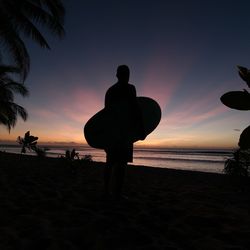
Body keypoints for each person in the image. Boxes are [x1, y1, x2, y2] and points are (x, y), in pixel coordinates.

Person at [104, 65, 145, 199]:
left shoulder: (113, 90)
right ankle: (112, 193)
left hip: (119, 132)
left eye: (127, 74)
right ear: (118, 75)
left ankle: (112, 193)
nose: (126, 76)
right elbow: (135, 109)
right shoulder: (122, 90)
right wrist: (141, 128)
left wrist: (141, 129)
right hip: (119, 132)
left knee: (116, 164)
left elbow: (135, 109)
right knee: (116, 164)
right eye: (124, 74)